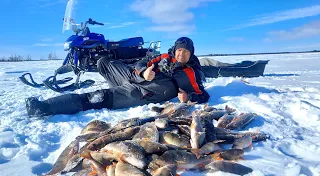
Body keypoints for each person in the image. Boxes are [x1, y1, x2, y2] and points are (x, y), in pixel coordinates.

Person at [25, 37, 210, 117]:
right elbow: (142, 61)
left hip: (142, 91)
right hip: (133, 76)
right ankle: (117, 85)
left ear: (191, 53)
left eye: (186, 52)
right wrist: (143, 71)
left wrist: (189, 97)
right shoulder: (164, 57)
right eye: (179, 50)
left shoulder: (190, 73)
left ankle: (45, 107)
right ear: (174, 49)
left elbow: (202, 95)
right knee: (103, 62)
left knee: (97, 98)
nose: (181, 55)